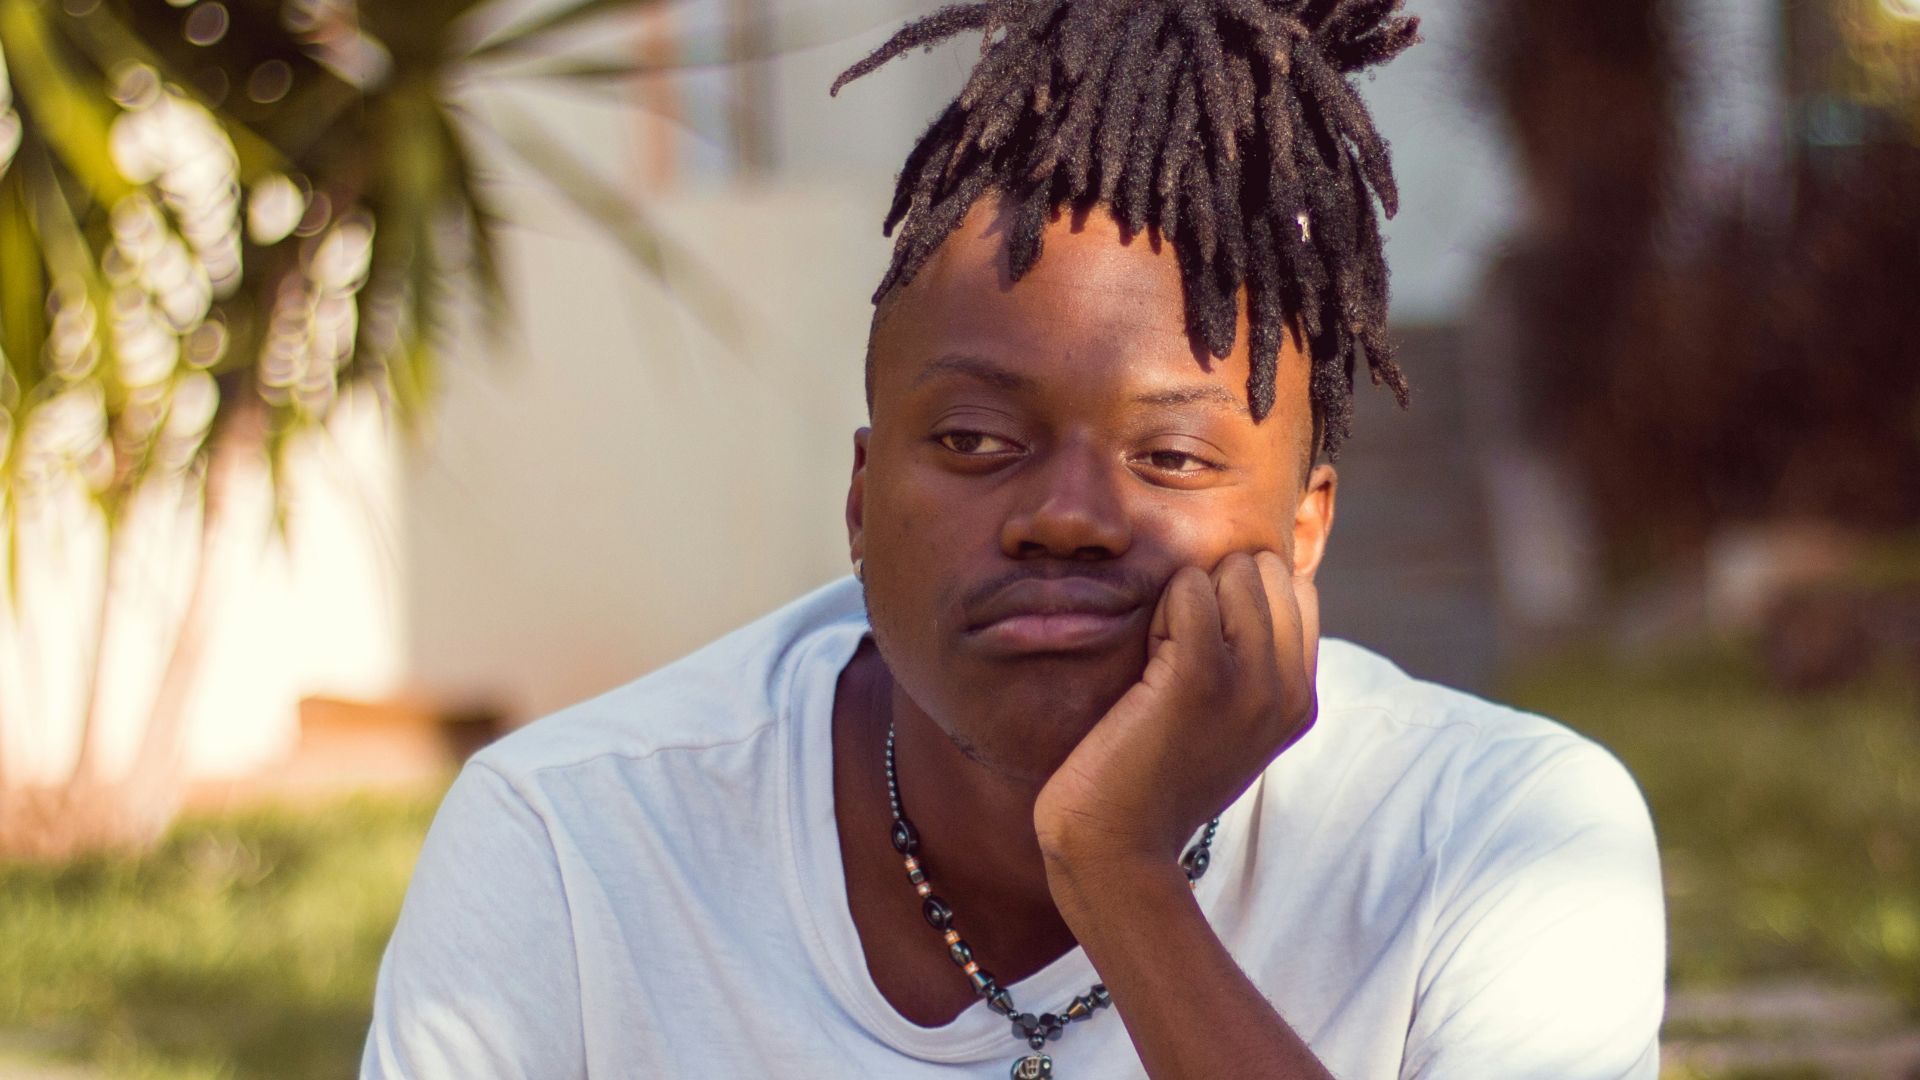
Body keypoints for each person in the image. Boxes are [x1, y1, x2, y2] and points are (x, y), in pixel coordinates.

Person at [361, 1, 1665, 1077]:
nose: (1065, 516)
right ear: (863, 500)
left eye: (1171, 453)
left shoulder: (1505, 845)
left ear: (1306, 521)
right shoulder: (572, 850)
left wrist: (1122, 876)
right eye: (978, 443)